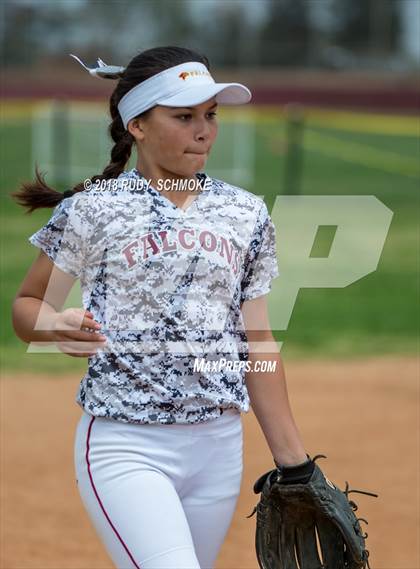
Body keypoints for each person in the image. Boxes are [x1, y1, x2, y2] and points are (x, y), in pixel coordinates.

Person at [11, 46, 310, 569]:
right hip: (127, 443)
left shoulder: (245, 213)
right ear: (139, 124)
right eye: (184, 116)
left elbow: (257, 342)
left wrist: (295, 464)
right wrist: (52, 323)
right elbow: (27, 306)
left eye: (210, 115)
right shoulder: (93, 210)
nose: (205, 130)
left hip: (218, 446)